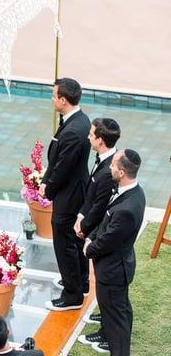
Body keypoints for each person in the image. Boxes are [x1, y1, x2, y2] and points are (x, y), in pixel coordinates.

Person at [83, 149, 145, 356]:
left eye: (112, 165)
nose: (109, 166)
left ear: (121, 172)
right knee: (120, 311)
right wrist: (92, 235)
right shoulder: (135, 192)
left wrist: (89, 247)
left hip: (112, 271)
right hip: (118, 266)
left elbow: (109, 240)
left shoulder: (126, 209)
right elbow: (106, 223)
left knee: (116, 321)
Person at [39, 77, 91, 311]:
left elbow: (62, 167)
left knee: (65, 242)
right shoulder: (79, 119)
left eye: (54, 95)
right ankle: (81, 282)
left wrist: (47, 189)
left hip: (69, 194)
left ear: (63, 100)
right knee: (73, 240)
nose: (52, 99)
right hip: (74, 189)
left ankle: (72, 295)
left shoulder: (73, 131)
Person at [72, 118, 120, 338]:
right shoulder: (102, 160)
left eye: (92, 135)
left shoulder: (109, 171)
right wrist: (81, 215)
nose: (88, 137)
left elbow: (100, 206)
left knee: (103, 279)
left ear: (100, 140)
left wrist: (85, 227)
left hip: (99, 231)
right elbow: (91, 198)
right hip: (90, 222)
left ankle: (106, 328)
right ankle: (104, 313)